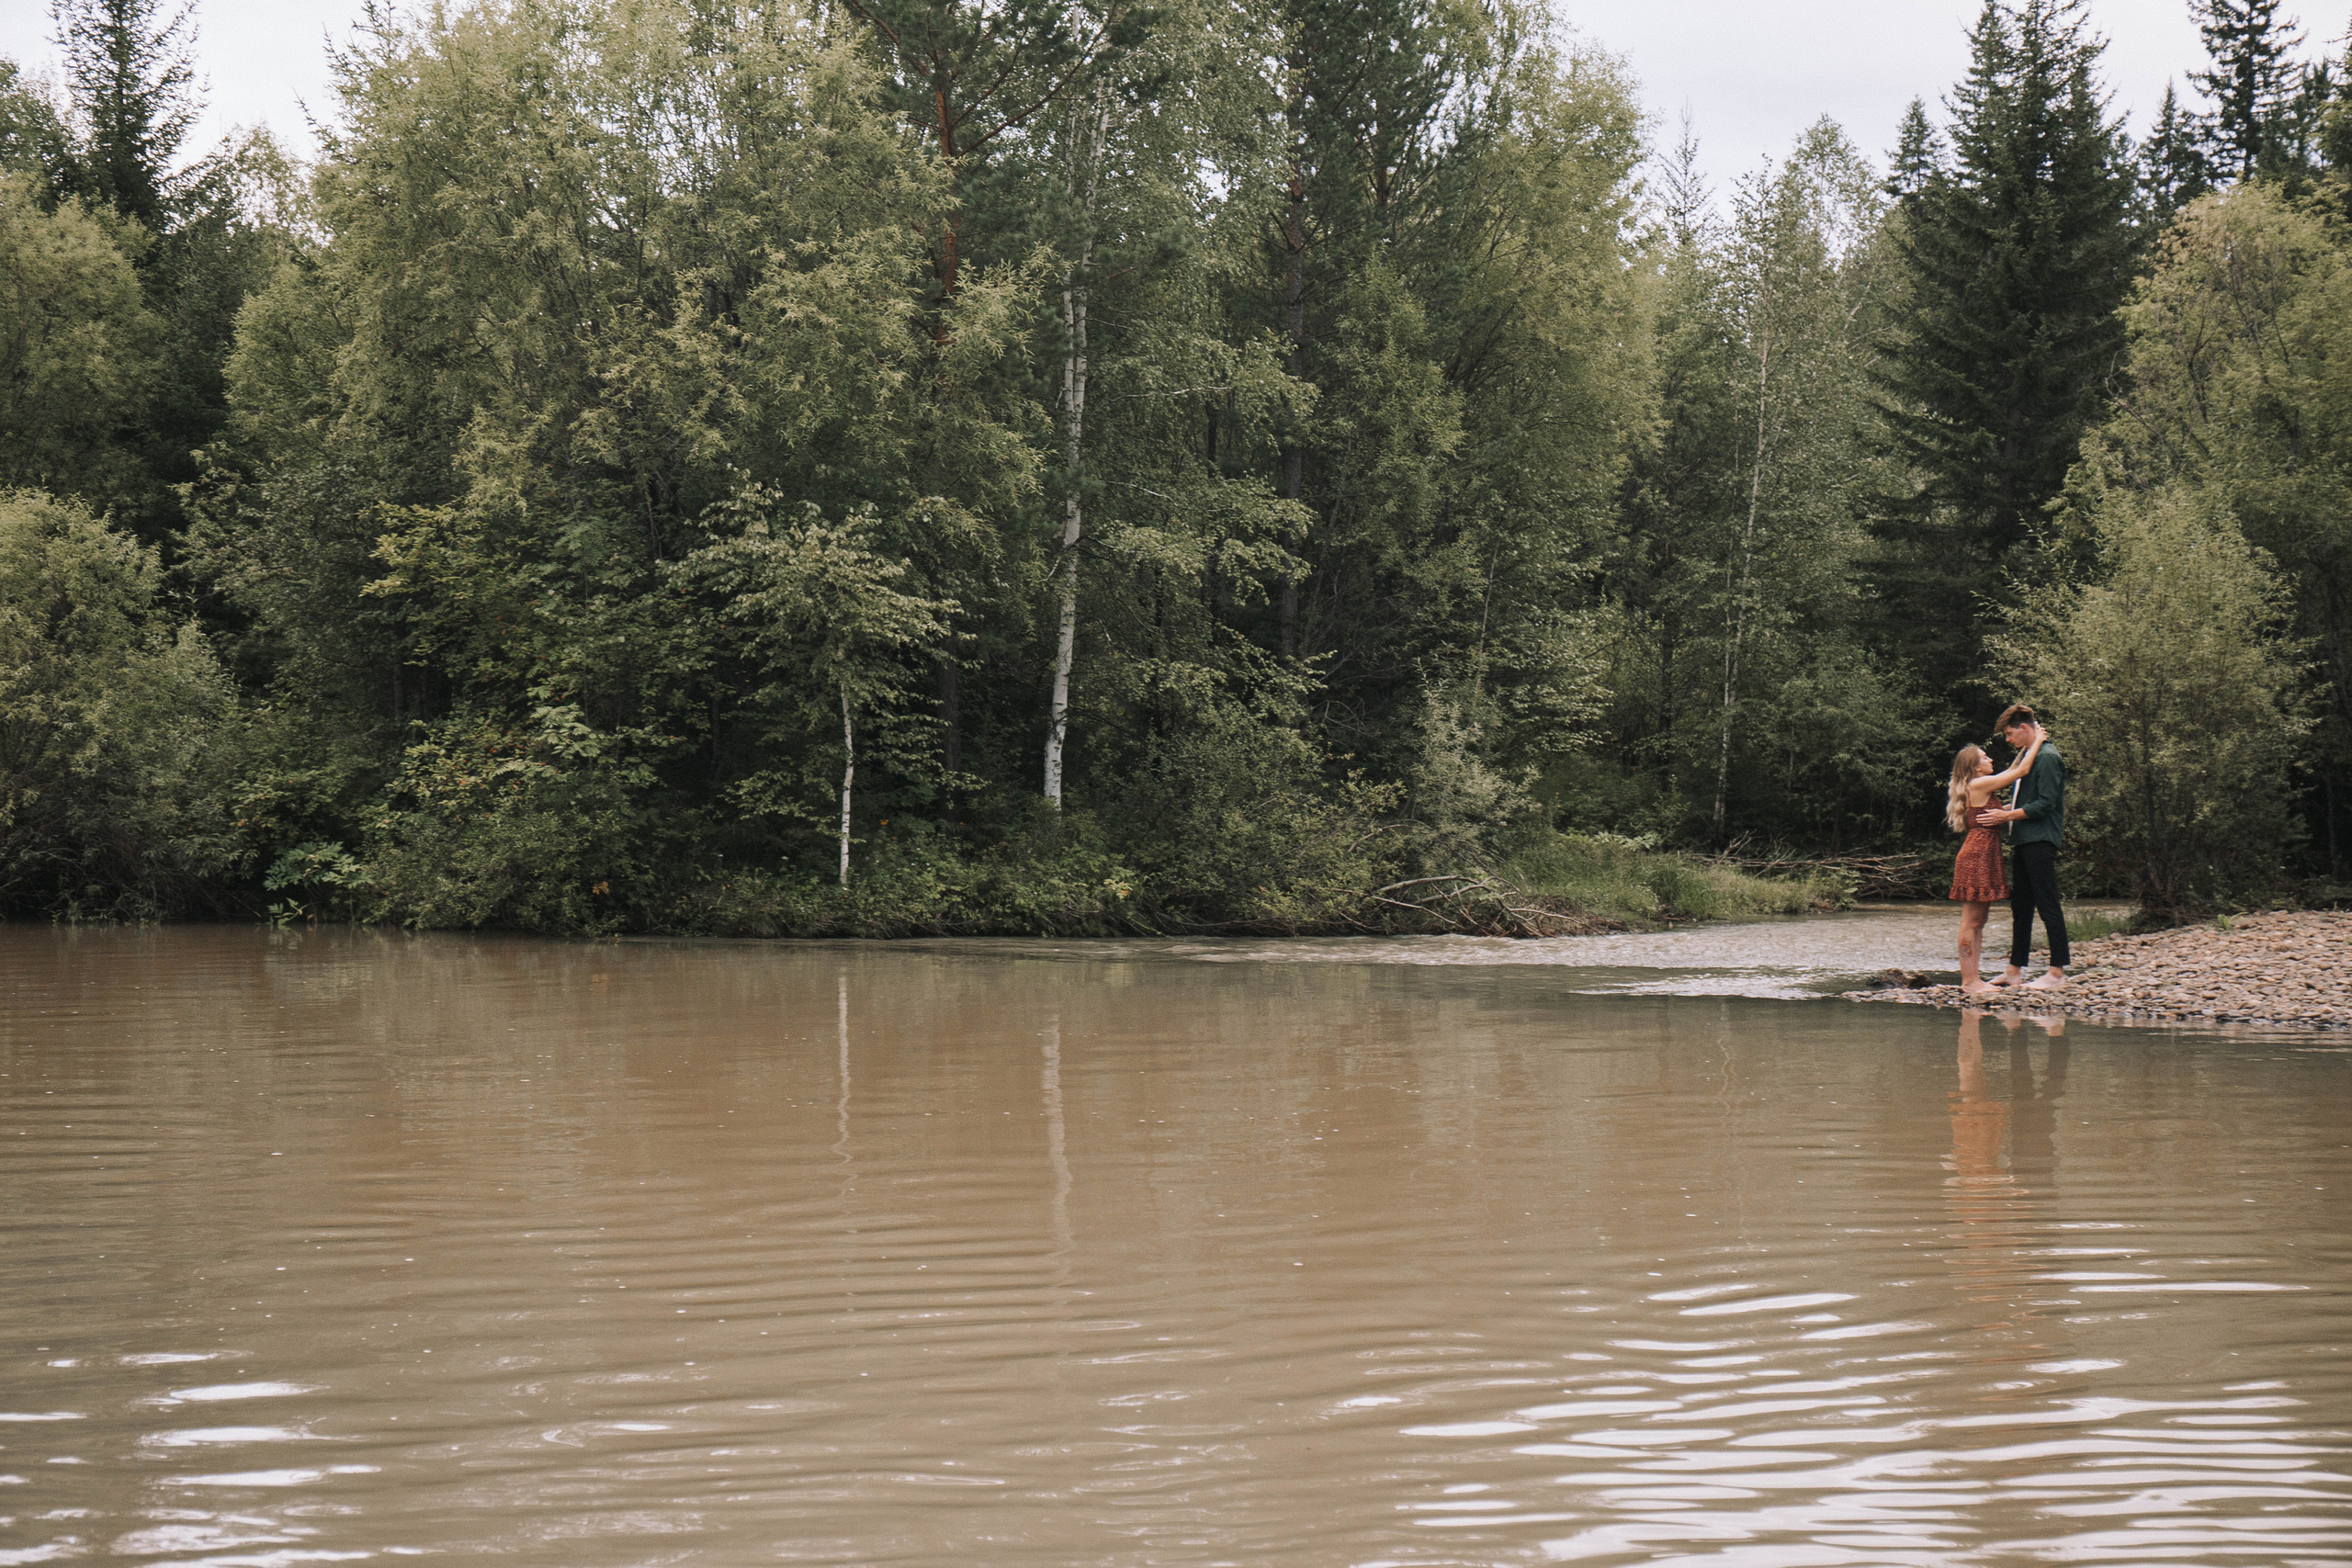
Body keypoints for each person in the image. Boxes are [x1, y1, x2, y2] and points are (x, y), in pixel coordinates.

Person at [1945, 722, 2044, 993]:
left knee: (1980, 921)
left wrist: (2026, 747)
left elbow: (2013, 769)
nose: (1990, 760)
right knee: (1972, 921)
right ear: (1976, 768)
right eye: (1985, 757)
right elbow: (2019, 772)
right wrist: (2037, 741)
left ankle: (1974, 978)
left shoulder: (1981, 784)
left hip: (1985, 853)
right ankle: (1969, 981)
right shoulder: (1979, 783)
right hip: (1977, 855)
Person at [1984, 704, 2069, 989]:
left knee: (2047, 904)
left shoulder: (2047, 757)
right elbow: (2026, 797)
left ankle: (2056, 973)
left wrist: (2006, 816)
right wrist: (2007, 811)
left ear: (2024, 728)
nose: (2008, 740)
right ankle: (2014, 971)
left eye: (2010, 734)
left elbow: (2045, 804)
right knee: (2021, 907)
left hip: (2040, 839)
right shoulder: (2032, 755)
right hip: (2024, 838)